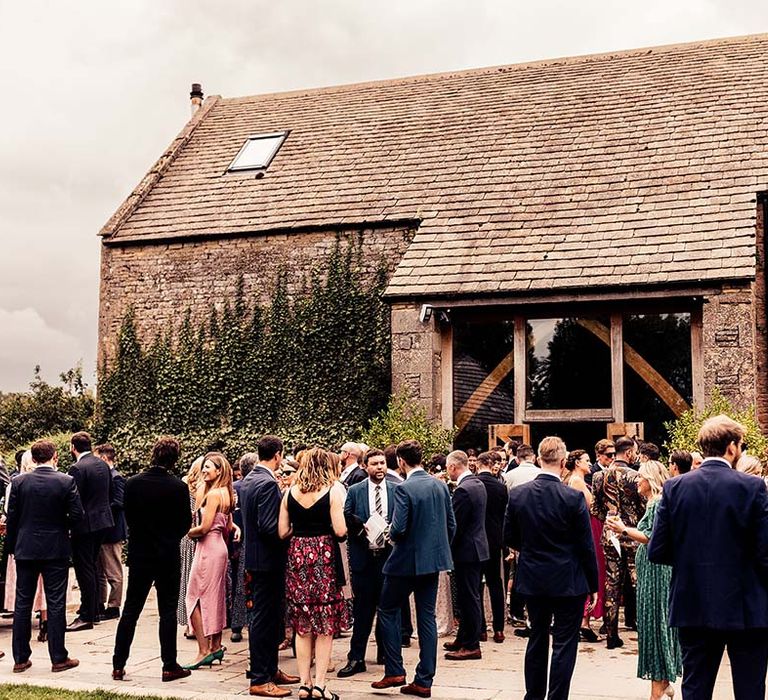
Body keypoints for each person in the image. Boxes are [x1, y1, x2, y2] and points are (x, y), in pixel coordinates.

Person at [649, 415, 768, 700]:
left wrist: (691, 562)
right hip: (746, 604)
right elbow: (765, 553)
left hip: (693, 601)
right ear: (731, 447)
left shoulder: (675, 487)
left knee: (696, 687)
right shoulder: (751, 487)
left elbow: (658, 549)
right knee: (750, 688)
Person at [504, 436, 598, 700]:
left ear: (538, 458)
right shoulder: (572, 497)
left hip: (533, 575)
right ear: (563, 460)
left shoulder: (519, 494)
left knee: (537, 638)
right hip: (568, 578)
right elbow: (585, 545)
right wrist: (593, 584)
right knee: (564, 643)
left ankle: (533, 696)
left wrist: (530, 547)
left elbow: (509, 536)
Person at [373, 440, 456, 699]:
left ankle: (395, 669)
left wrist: (388, 535)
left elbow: (398, 529)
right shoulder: (441, 485)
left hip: (404, 562)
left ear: (400, 461)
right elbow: (451, 525)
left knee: (387, 609)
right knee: (426, 617)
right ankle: (424, 679)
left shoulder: (404, 488)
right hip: (432, 562)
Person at [112, 436, 193, 682]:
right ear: (174, 459)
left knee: (131, 610)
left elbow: (129, 516)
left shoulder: (133, 483)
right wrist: (168, 537)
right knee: (167, 611)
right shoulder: (178, 487)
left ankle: (118, 663)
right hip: (167, 554)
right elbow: (184, 524)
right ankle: (169, 665)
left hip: (140, 553)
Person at [606, 460, 681, 699]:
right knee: (654, 622)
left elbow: (651, 536)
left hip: (656, 572)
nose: (637, 481)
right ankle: (663, 682)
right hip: (651, 570)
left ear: (651, 480)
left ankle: (658, 687)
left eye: (641, 477)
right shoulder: (653, 502)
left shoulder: (658, 503)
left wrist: (623, 529)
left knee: (656, 623)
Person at [6, 439, 83, 673]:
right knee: (56, 602)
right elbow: (78, 515)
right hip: (55, 547)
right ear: (54, 456)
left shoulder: (19, 482)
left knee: (23, 602)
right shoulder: (66, 481)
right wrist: (61, 526)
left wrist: (13, 545)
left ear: (33, 458)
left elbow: (12, 517)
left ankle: (20, 658)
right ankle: (58, 657)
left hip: (26, 547)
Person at [279, 447, 349, 700]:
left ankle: (304, 684)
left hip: (297, 556)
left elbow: (282, 531)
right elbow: (341, 531)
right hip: (323, 557)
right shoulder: (331, 493)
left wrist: (300, 531)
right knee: (326, 625)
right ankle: (320, 684)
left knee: (302, 624)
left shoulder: (289, 493)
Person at [240, 435, 299, 698]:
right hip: (267, 560)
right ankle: (260, 678)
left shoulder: (251, 479)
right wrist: (290, 530)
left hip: (256, 557)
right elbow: (267, 526)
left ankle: (271, 668)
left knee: (272, 617)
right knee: (264, 620)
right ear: (277, 455)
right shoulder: (266, 483)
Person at [339, 448, 397, 678]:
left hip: (389, 556)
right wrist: (360, 527)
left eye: (382, 463)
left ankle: (386, 653)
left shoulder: (396, 489)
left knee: (389, 607)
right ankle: (356, 657)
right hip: (365, 556)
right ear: (365, 466)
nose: (380, 467)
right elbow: (345, 516)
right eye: (374, 464)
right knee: (363, 610)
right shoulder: (354, 490)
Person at [184, 452, 237, 669]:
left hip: (208, 547)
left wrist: (187, 532)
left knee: (192, 598)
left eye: (208, 467)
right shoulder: (227, 493)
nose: (204, 470)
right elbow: (229, 525)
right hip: (219, 547)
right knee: (215, 598)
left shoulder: (214, 494)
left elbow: (204, 528)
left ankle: (203, 650)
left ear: (219, 471)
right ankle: (215, 646)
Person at [591, 436, 645, 649]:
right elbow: (643, 507)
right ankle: (645, 629)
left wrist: (610, 515)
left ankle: (611, 633)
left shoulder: (598, 477)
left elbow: (594, 509)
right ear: (630, 452)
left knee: (611, 582)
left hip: (610, 533)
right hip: (632, 533)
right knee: (638, 582)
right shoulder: (636, 476)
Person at [443, 450, 489, 661]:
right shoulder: (477, 484)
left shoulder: (463, 490)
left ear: (453, 466)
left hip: (466, 550)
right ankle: (464, 638)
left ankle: (472, 644)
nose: (447, 472)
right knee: (468, 595)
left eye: (447, 468)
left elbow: (455, 525)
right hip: (477, 547)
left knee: (468, 597)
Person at [68, 431, 114, 631]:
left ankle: (87, 615)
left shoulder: (77, 468)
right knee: (93, 566)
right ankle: (94, 609)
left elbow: (74, 500)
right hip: (103, 522)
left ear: (73, 447)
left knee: (84, 568)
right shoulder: (102, 464)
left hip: (85, 524)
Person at [562, 449, 605, 642]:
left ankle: (583, 619)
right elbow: (593, 505)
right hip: (589, 524)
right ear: (578, 463)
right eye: (587, 460)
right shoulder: (577, 481)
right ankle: (584, 621)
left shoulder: (571, 479)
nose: (590, 463)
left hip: (586, 525)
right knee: (592, 567)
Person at [475, 451, 508, 643]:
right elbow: (504, 515)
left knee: (477, 584)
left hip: (477, 539)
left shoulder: (472, 485)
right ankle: (499, 629)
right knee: (496, 583)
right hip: (495, 539)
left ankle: (481, 628)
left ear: (479, 464)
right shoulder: (500, 488)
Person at [93, 443, 126, 620]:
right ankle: (99, 603)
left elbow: (120, 502)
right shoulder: (105, 477)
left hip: (112, 531)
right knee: (98, 570)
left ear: (105, 458)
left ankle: (114, 606)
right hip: (102, 530)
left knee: (113, 571)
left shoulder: (116, 478)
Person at [230, 452, 257, 644]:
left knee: (238, 586)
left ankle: (236, 627)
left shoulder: (233, 488)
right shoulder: (257, 486)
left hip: (234, 542)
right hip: (251, 542)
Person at [177, 456, 204, 636]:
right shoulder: (205, 489)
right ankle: (198, 625)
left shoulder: (183, 487)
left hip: (185, 538)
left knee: (186, 580)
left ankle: (189, 624)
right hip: (198, 537)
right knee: (199, 583)